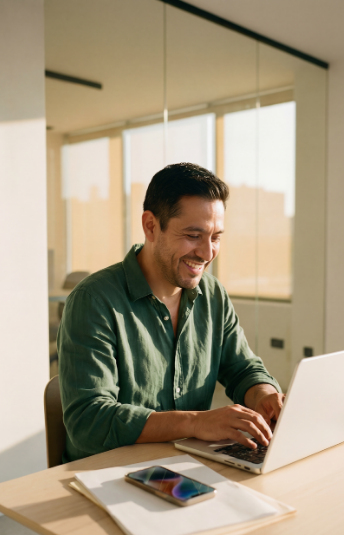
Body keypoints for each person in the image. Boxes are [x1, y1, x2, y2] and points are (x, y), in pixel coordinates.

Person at [58, 162, 284, 463]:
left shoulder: (213, 295)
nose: (207, 253)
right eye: (193, 235)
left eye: (215, 237)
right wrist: (195, 422)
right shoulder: (93, 301)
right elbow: (89, 422)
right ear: (151, 226)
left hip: (186, 466)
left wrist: (264, 395)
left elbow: (242, 368)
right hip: (109, 475)